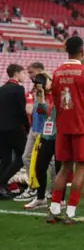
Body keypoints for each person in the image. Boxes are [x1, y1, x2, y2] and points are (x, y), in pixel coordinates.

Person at [46, 36, 84, 224]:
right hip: (82, 124)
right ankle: (70, 213)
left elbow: (55, 101)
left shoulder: (56, 73)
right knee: (81, 167)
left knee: (64, 167)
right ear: (81, 50)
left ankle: (54, 209)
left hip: (63, 125)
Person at [25, 72, 57, 210]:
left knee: (58, 168)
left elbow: (51, 111)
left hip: (60, 135)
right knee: (39, 167)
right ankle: (40, 197)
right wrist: (41, 95)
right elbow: (43, 111)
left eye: (46, 80)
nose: (45, 83)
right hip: (46, 135)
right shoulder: (40, 95)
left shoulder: (59, 93)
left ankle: (58, 199)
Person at [0, 64, 30, 199]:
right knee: (23, 157)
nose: (25, 76)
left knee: (6, 160)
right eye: (23, 73)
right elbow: (20, 111)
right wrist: (28, 127)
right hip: (15, 128)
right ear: (16, 73)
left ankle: (2, 186)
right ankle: (2, 183)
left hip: (1, 129)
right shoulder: (18, 89)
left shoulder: (1, 89)